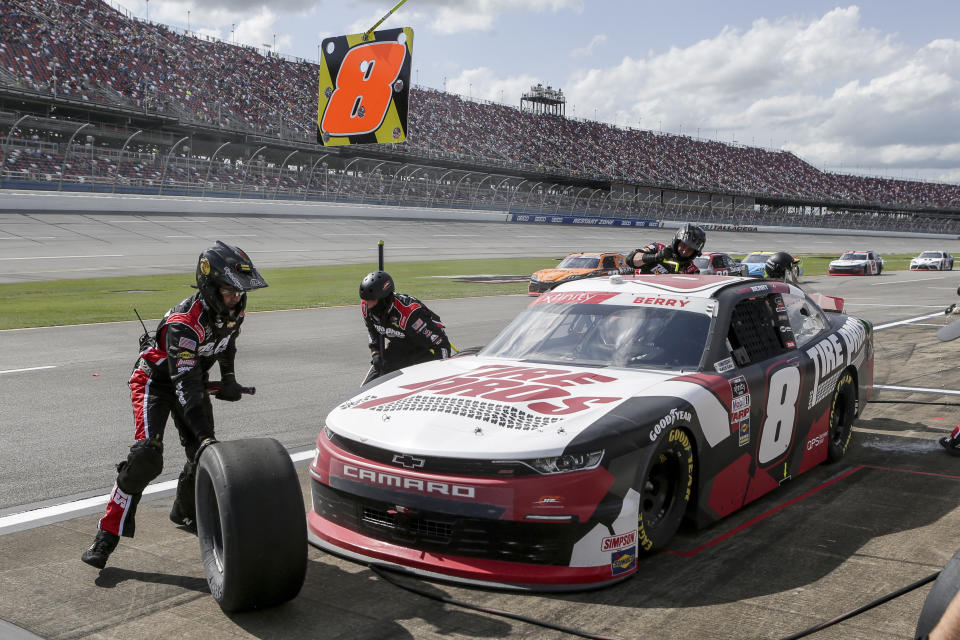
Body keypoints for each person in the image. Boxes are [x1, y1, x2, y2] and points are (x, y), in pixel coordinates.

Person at [81, 241, 267, 569]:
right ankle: (106, 535)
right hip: (156, 382)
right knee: (147, 455)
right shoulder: (185, 322)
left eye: (240, 292)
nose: (237, 298)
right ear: (209, 287)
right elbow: (184, 385)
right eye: (230, 291)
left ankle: (184, 510)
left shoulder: (233, 310)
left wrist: (228, 379)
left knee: (202, 457)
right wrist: (206, 434)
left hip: (190, 379)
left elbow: (227, 344)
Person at [360, 270, 451, 381]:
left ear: (384, 299)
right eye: (366, 300)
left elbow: (442, 346)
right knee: (369, 385)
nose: (368, 305)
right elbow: (372, 330)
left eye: (372, 300)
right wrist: (376, 353)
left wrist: (441, 375)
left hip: (423, 350)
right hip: (399, 348)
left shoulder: (410, 314)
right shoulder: (366, 306)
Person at [626, 223, 706, 274]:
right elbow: (630, 259)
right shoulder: (658, 248)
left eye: (690, 249)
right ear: (677, 241)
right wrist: (656, 257)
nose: (685, 250)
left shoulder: (692, 271)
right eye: (684, 245)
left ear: (695, 253)